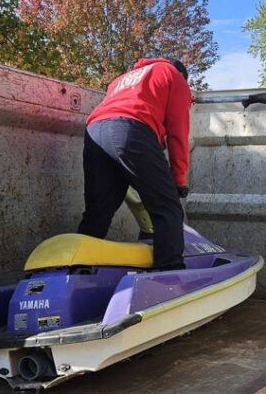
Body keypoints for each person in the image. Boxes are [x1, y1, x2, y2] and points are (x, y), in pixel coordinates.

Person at [78, 56, 193, 270]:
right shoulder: (174, 77)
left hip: (94, 131)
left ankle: (77, 272)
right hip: (131, 130)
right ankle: (170, 275)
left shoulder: (122, 79)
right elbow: (178, 133)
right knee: (167, 209)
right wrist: (178, 180)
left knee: (97, 212)